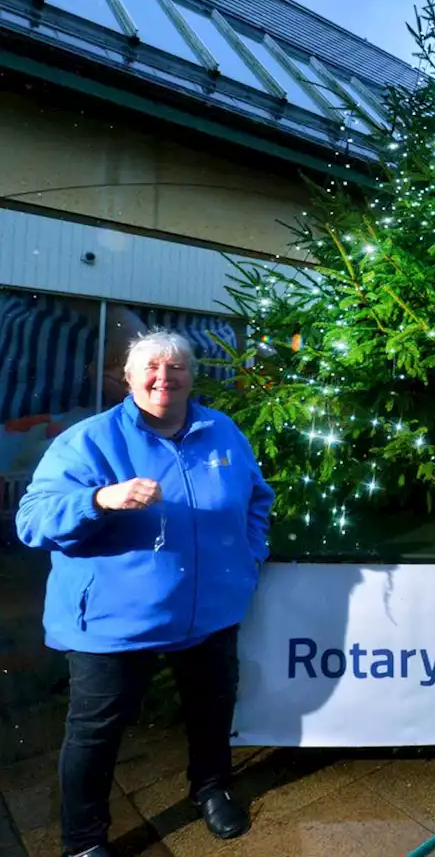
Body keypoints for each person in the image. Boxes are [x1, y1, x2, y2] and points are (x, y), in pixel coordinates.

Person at [16, 329, 273, 857]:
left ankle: (211, 788)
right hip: (113, 621)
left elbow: (256, 498)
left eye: (176, 367)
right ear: (127, 377)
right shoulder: (88, 440)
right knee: (95, 735)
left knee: (212, 709)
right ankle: (84, 842)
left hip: (210, 612)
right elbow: (32, 521)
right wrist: (99, 499)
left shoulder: (221, 431)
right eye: (151, 367)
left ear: (191, 377)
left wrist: (249, 557)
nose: (164, 376)